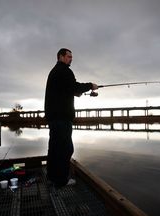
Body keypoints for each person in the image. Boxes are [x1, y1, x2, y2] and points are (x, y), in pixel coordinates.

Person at [44, 48, 98, 187]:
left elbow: (66, 89)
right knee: (65, 149)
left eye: (71, 57)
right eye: (68, 56)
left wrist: (76, 92)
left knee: (55, 148)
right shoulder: (64, 70)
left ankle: (52, 176)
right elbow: (74, 86)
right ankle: (61, 180)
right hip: (61, 118)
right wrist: (91, 85)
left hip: (54, 117)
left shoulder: (55, 71)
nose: (71, 59)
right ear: (60, 57)